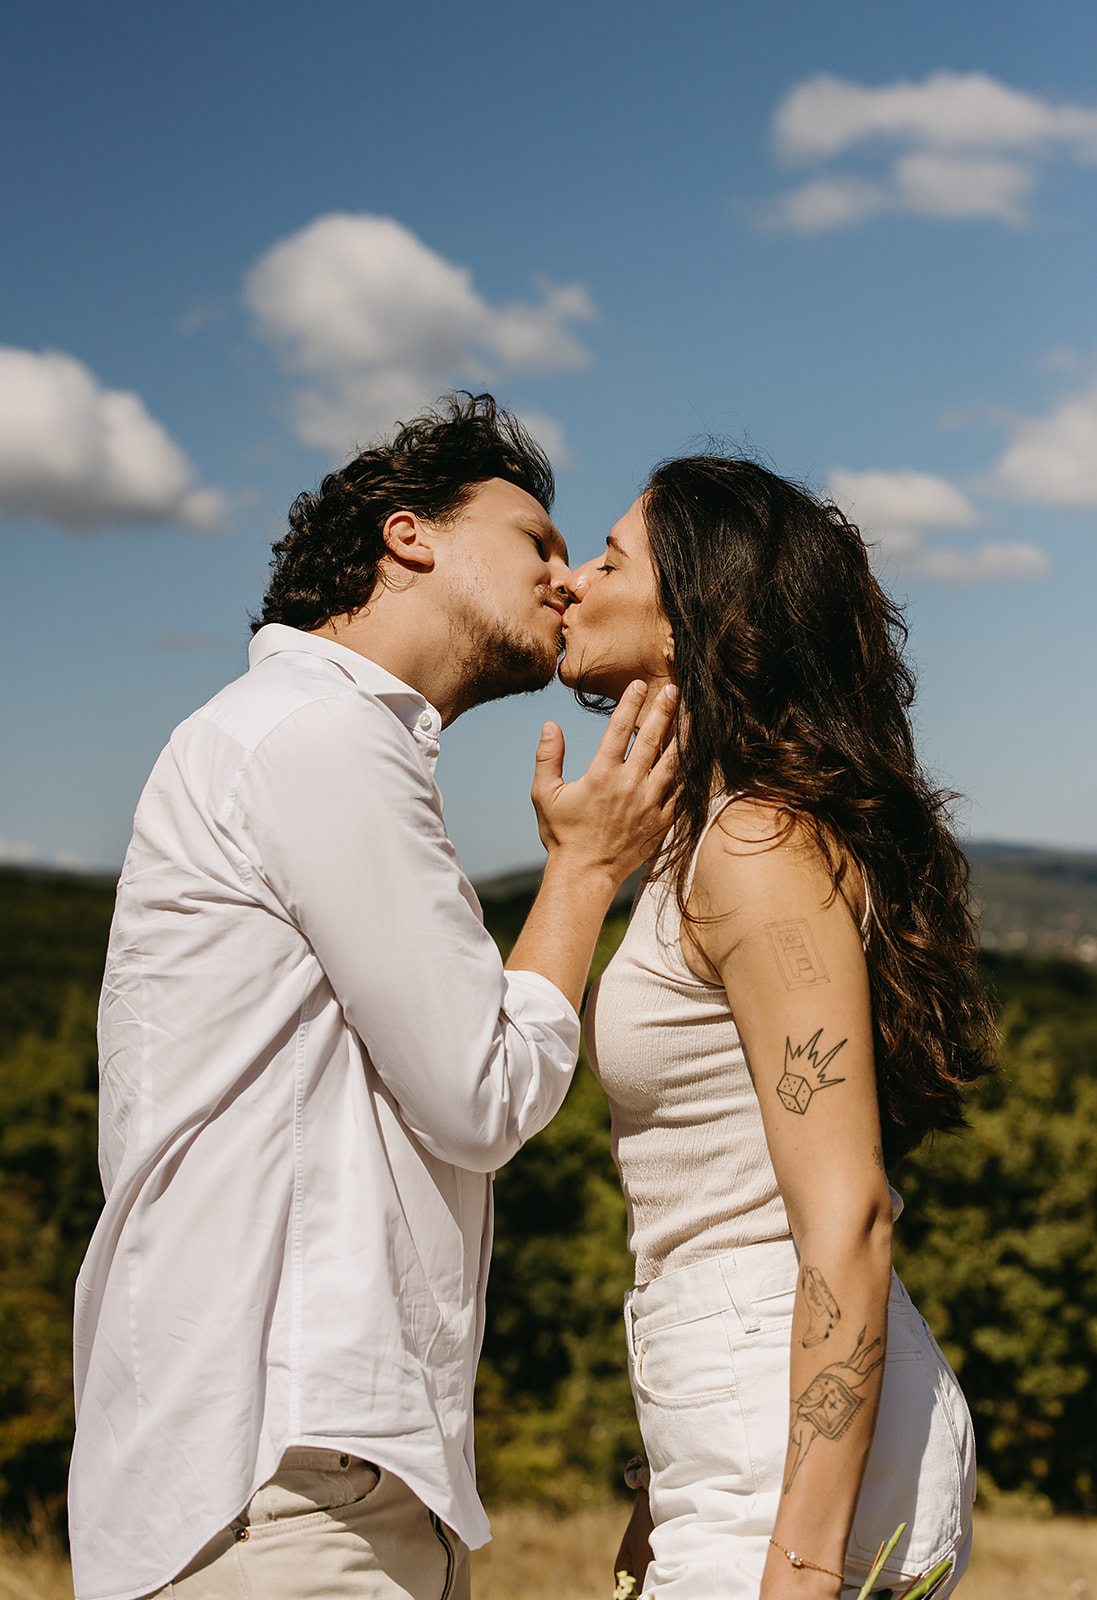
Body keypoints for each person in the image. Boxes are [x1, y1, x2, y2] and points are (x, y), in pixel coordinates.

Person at [68, 394, 677, 1600]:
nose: (565, 581)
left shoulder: (298, 738)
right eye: (537, 543)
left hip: (298, 1476)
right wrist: (584, 873)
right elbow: (477, 1091)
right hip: (286, 1483)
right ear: (411, 538)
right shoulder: (320, 734)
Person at [554, 455, 992, 1600]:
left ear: (697, 609)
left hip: (784, 1441)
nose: (570, 578)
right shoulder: (697, 838)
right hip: (735, 1415)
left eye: (609, 557)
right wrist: (659, 1498)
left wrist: (796, 1563)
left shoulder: (753, 848)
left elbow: (841, 1213)